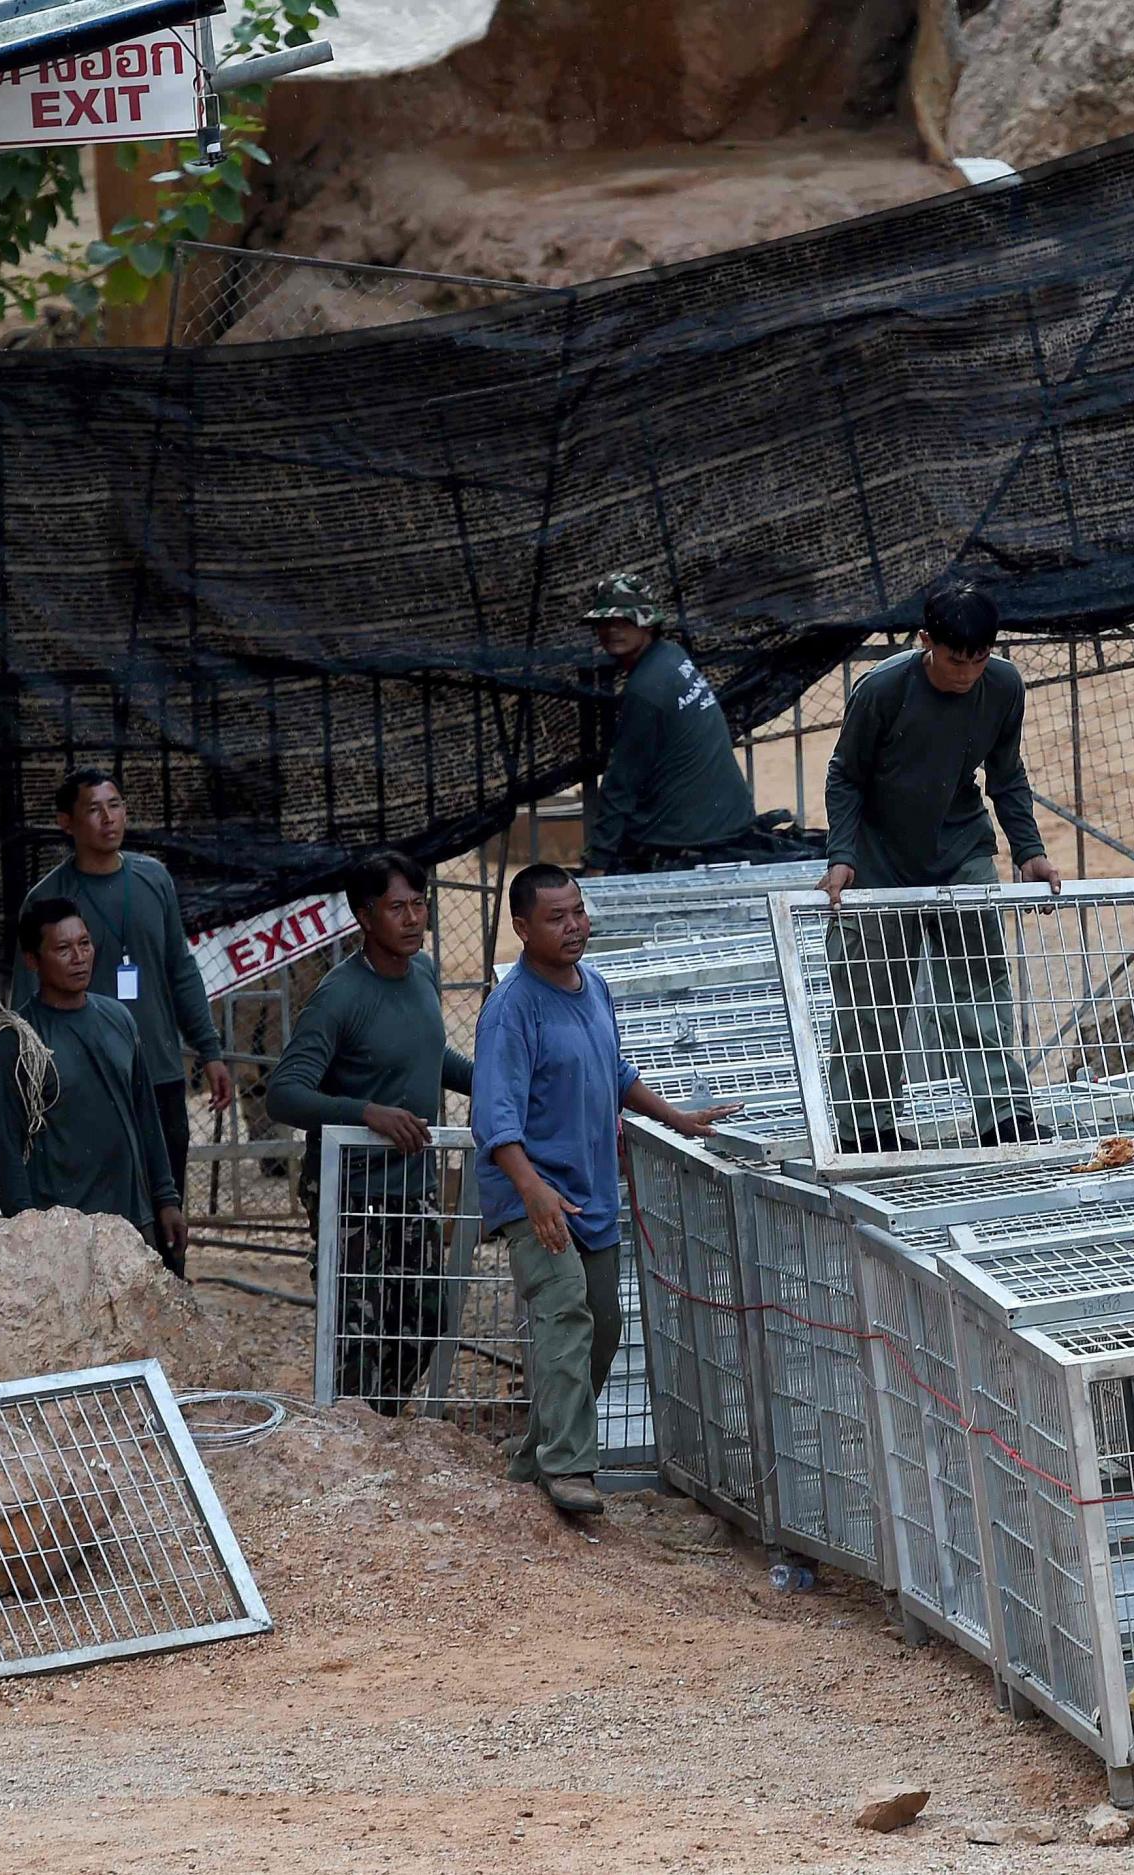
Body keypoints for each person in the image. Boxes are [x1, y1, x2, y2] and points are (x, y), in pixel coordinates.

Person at [472, 863, 735, 1515]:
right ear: (523, 927)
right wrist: (529, 1189)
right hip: (534, 1193)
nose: (574, 926)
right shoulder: (511, 1009)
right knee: (563, 1312)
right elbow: (493, 1114)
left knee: (603, 1326)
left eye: (579, 912)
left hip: (590, 1193)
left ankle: (536, 1457)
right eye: (556, 917)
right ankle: (568, 1469)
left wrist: (675, 1116)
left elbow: (613, 1070)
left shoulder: (594, 988)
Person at [816, 580, 1062, 1152]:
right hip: (879, 860)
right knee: (871, 998)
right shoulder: (883, 690)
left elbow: (1006, 774)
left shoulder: (1003, 686)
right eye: (956, 659)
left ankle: (1004, 1116)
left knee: (980, 985)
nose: (968, 672)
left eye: (979, 659)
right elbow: (844, 775)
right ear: (926, 641)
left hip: (960, 852)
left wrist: (1028, 850)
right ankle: (865, 1128)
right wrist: (843, 857)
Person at [265, 851, 477, 1407]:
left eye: (418, 905)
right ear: (364, 916)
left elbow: (433, 1057)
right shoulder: (341, 996)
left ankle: (384, 1421)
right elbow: (285, 1092)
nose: (412, 920)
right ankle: (355, 1436)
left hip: (414, 1187)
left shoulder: (424, 972)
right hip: (353, 1194)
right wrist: (366, 1112)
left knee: (426, 1320)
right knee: (358, 1333)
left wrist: (494, 1084)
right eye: (395, 908)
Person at [13, 769, 232, 1207]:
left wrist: (209, 1051)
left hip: (158, 1072)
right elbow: (25, 1009)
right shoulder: (47, 899)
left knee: (166, 1202)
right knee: (97, 1208)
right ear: (66, 823)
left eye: (115, 806)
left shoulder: (154, 878)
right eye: (93, 809)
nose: (108, 818)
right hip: (83, 1082)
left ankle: (169, 1277)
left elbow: (180, 969)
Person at [0, 898, 187, 1271]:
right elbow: (6, 1144)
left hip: (131, 1222)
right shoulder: (19, 1039)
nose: (79, 957)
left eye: (85, 943)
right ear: (33, 960)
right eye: (63, 949)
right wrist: (25, 1231)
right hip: (61, 1233)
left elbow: (146, 1117)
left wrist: (166, 1199)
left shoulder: (119, 1019)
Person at [577, 570, 761, 873]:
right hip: (728, 820)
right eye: (603, 623)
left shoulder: (647, 688)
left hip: (689, 837)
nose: (612, 630)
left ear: (647, 623)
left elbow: (621, 782)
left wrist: (597, 863)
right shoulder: (671, 656)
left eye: (624, 621)